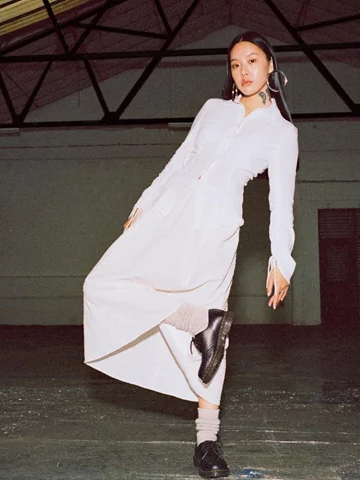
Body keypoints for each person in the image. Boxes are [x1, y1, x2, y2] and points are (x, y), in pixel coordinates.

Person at [83, 30, 299, 479]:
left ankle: (206, 442)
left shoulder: (282, 133)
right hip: (168, 215)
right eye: (235, 64)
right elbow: (180, 160)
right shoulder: (213, 109)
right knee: (99, 285)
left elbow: (282, 201)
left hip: (215, 231)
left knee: (212, 352)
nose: (243, 71)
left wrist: (282, 258)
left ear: (270, 65)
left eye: (252, 61)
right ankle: (199, 322)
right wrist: (145, 202)